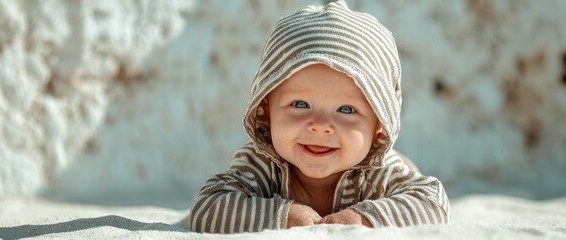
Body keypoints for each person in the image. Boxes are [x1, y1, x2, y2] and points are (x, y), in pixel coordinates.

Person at [189, 0, 450, 233]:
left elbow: (433, 203)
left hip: (392, 168)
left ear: (380, 125)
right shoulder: (264, 164)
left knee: (405, 170)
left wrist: (362, 220)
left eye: (346, 110)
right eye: (300, 104)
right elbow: (206, 207)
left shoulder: (377, 172)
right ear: (266, 112)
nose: (320, 126)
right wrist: (281, 215)